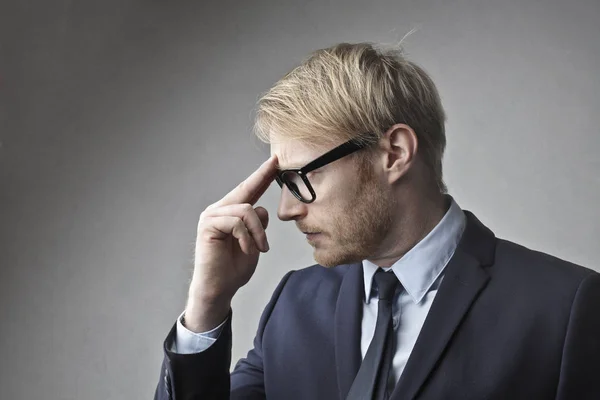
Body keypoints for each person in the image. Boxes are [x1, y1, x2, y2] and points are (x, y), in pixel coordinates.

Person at [154, 42, 600, 400]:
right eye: (281, 185)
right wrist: (206, 306)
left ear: (395, 154)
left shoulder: (565, 307)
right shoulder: (294, 304)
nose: (287, 210)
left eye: (302, 178)